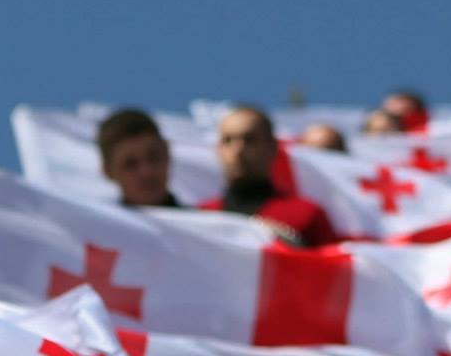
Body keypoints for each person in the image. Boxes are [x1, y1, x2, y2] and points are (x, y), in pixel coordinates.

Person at [201, 105, 341, 248]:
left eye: (249, 139)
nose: (238, 150)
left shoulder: (307, 214)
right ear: (217, 149)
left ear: (272, 147)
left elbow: (333, 266)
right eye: (228, 140)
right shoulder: (200, 217)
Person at [95, 108, 178, 207]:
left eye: (153, 157)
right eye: (130, 164)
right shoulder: (93, 222)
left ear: (167, 153)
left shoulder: (199, 220)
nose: (147, 172)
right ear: (108, 171)